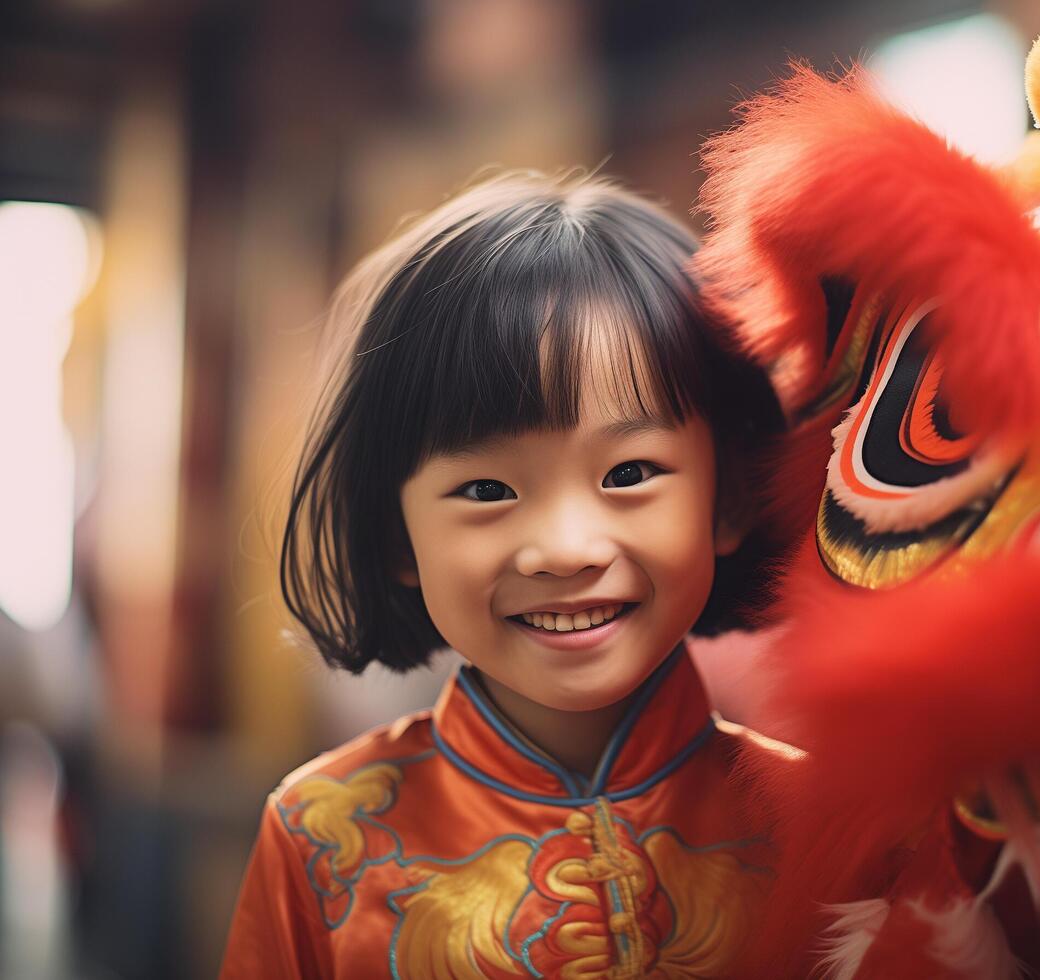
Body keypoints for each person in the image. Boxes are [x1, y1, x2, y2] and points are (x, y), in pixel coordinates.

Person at [220, 171, 794, 979]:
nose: (565, 548)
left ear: (728, 497)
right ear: (396, 536)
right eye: (487, 490)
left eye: (629, 473)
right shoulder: (321, 836)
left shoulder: (828, 823)